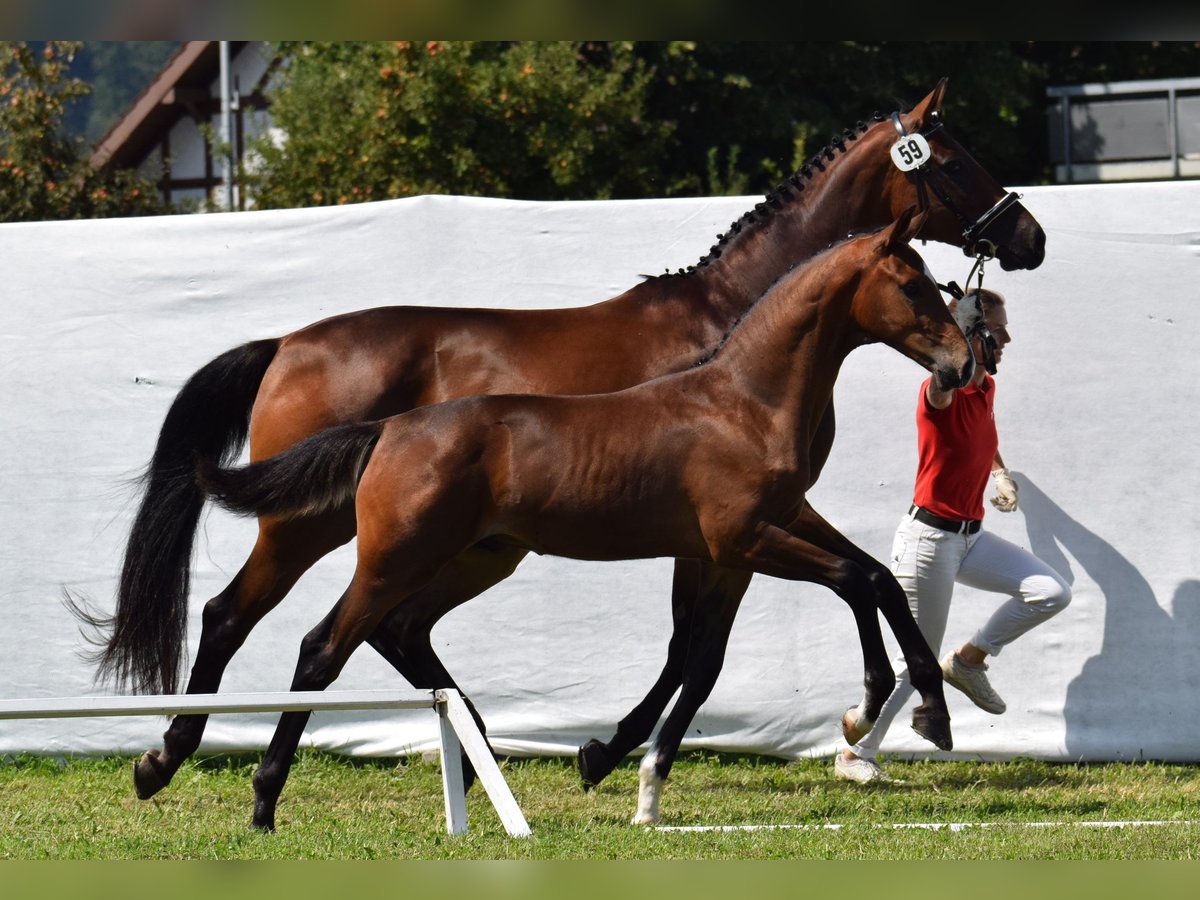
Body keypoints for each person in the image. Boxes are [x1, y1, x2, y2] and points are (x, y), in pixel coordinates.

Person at [834, 287, 1071, 784]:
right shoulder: (937, 393)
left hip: (970, 538)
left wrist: (999, 473)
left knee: (1050, 591)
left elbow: (985, 433)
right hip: (928, 543)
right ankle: (856, 753)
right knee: (914, 659)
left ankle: (968, 661)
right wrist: (954, 337)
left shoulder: (986, 390)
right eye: (997, 329)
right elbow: (943, 388)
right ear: (974, 333)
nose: (1007, 337)